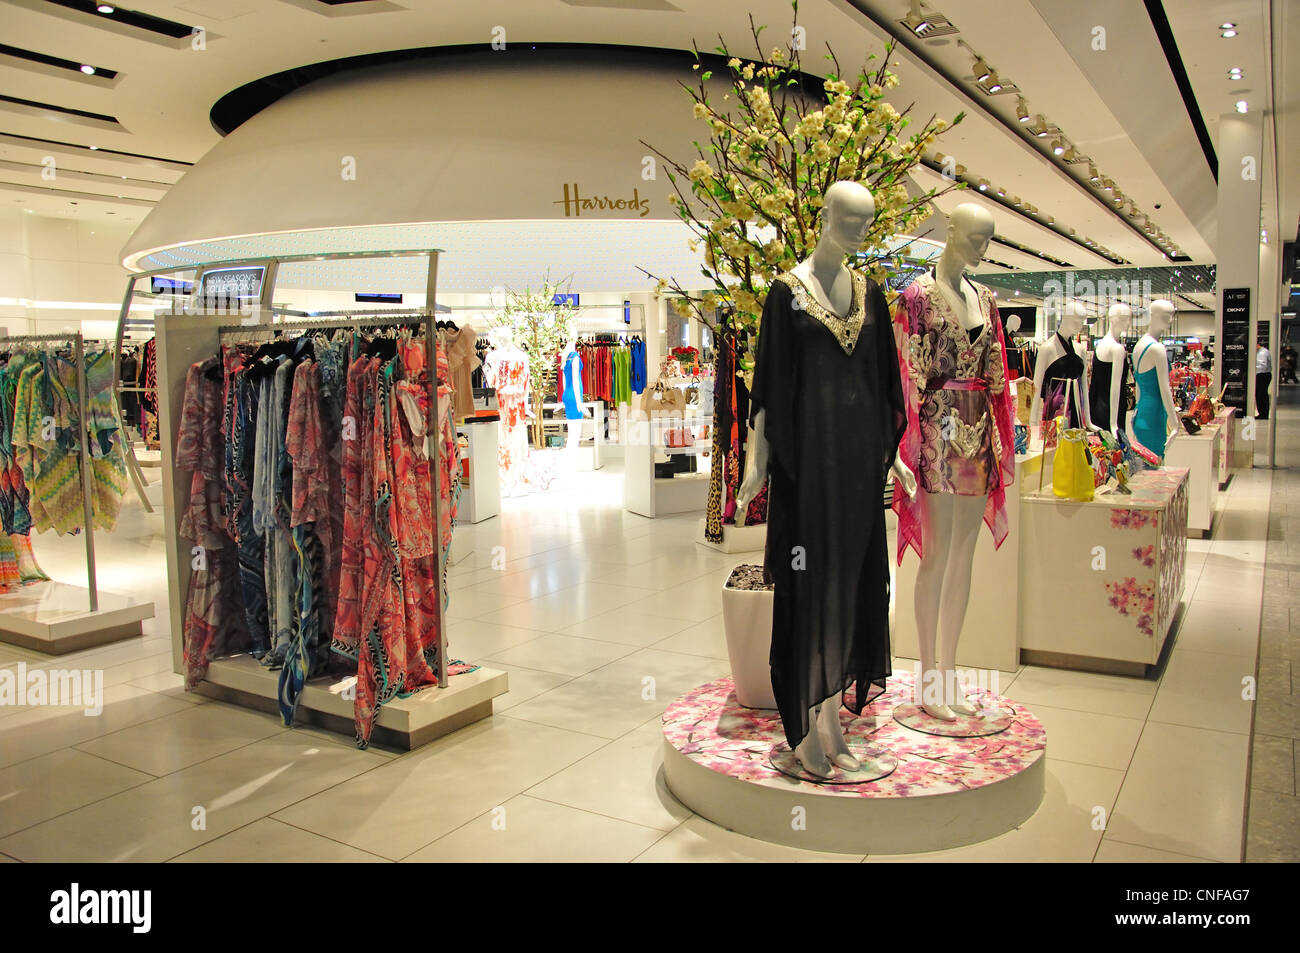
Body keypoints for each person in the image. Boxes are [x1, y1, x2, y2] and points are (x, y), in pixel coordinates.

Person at [1256, 343, 1272, 420]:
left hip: (1262, 375)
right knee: (1260, 395)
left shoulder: (1262, 353)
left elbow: (1262, 366)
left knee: (1261, 394)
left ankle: (1263, 414)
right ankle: (1262, 413)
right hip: (1262, 375)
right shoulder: (1261, 352)